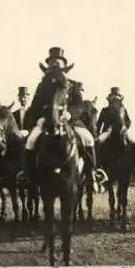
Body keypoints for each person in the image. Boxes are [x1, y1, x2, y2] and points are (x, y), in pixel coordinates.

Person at [25, 47, 97, 181]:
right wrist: (39, 118)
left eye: (58, 62)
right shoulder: (43, 85)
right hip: (46, 122)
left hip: (70, 122)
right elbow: (34, 106)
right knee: (30, 141)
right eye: (52, 62)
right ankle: (28, 176)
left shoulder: (73, 85)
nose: (55, 64)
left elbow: (80, 105)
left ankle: (92, 174)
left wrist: (70, 113)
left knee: (89, 139)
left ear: (64, 65)